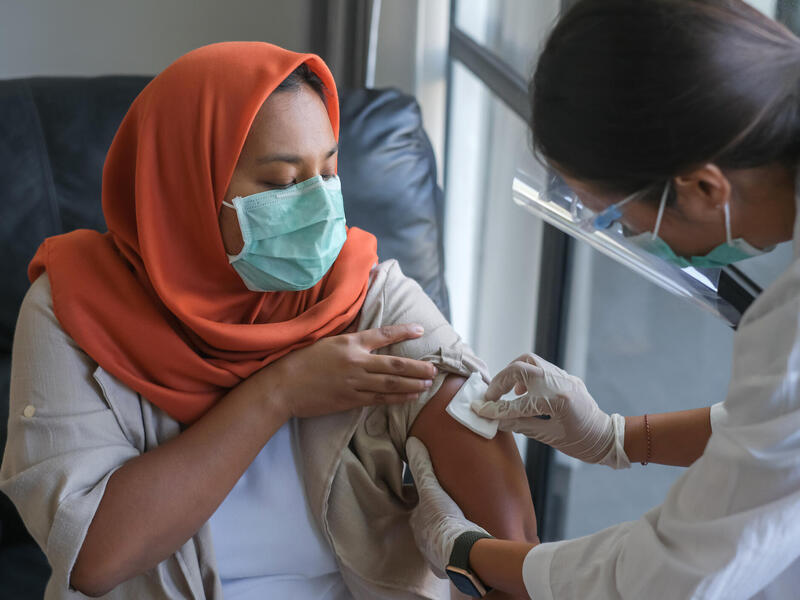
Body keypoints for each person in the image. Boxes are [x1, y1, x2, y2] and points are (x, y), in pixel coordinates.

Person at [0, 42, 537, 599]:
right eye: (282, 183)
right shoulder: (75, 308)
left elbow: (473, 439)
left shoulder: (360, 288)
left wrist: (511, 569)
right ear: (183, 187)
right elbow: (94, 555)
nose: (318, 207)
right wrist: (277, 393)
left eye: (327, 171)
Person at [404, 0, 800, 598]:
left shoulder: (790, 328)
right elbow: (779, 431)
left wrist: (468, 552)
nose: (630, 237)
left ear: (702, 187)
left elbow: (670, 577)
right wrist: (617, 437)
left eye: (617, 219)